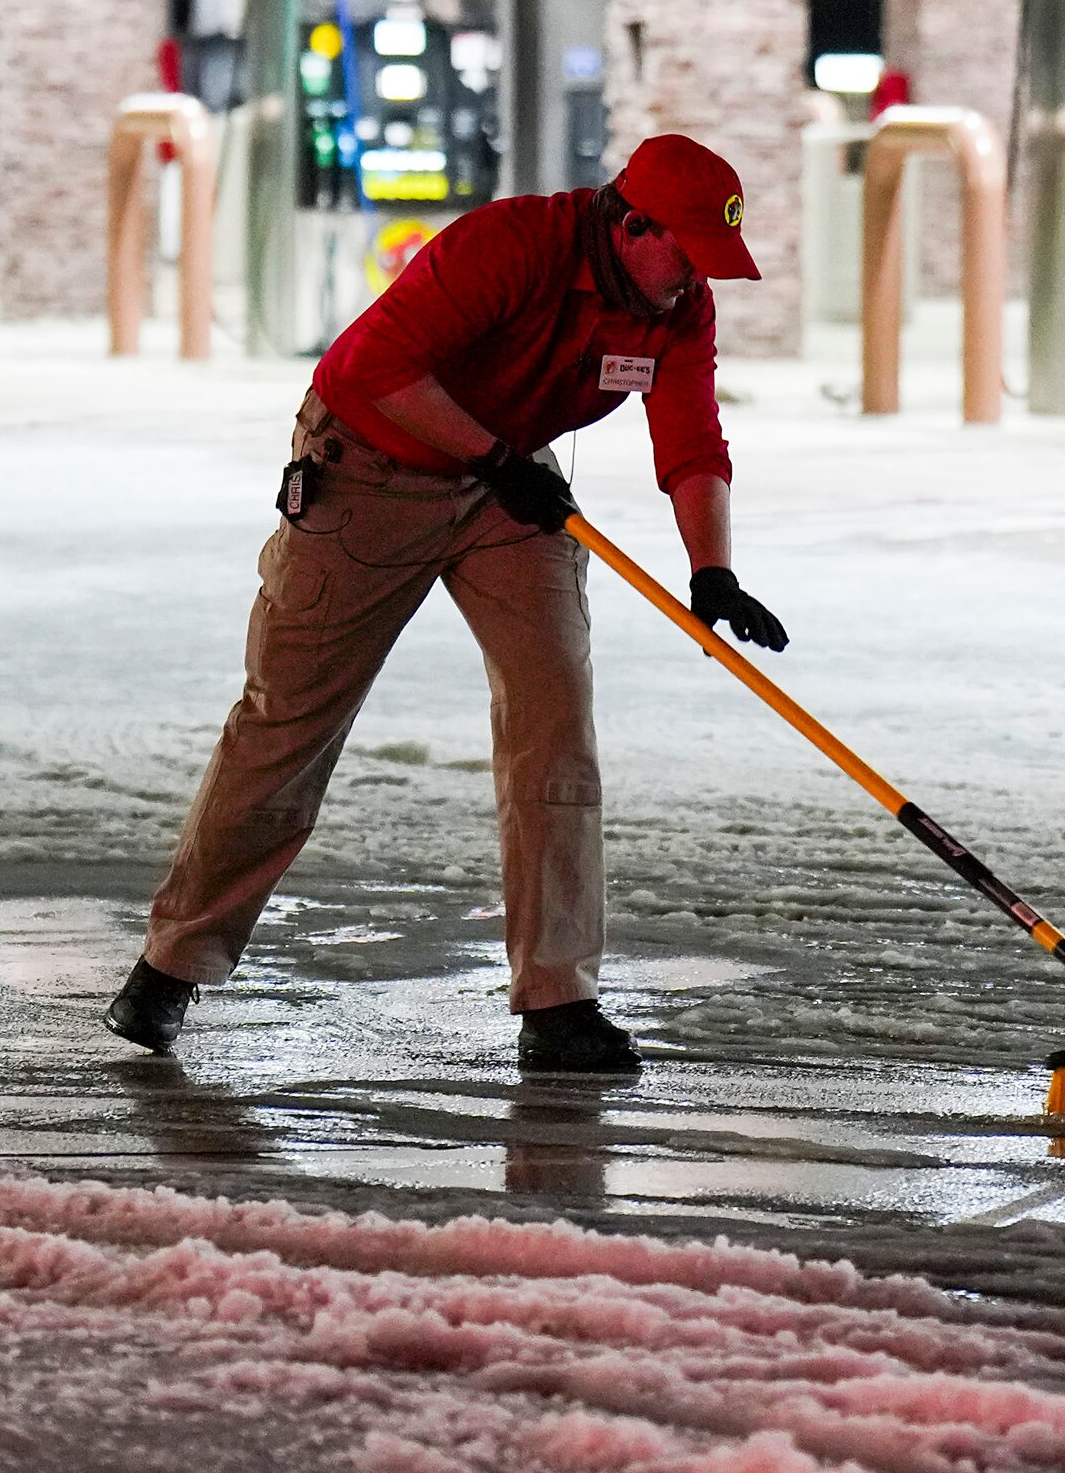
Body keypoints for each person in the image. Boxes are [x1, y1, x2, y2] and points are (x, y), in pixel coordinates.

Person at [103, 134, 788, 1073]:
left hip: (506, 489)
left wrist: (712, 571)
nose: (692, 284)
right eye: (685, 257)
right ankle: (170, 967)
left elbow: (692, 435)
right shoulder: (507, 247)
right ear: (631, 224)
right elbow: (368, 370)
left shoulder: (676, 305)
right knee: (289, 724)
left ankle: (559, 1001)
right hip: (370, 473)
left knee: (556, 719)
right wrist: (497, 460)